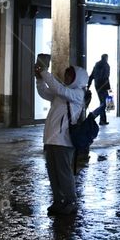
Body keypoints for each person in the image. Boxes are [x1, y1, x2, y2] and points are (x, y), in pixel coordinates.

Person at [35, 62, 88, 216]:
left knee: (64, 172)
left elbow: (57, 88)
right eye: (66, 74)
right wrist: (39, 80)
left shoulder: (77, 93)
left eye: (70, 75)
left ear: (77, 78)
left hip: (64, 140)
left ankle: (70, 201)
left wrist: (44, 72)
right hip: (51, 138)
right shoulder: (63, 93)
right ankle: (58, 200)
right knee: (53, 172)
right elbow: (45, 92)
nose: (66, 77)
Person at [88, 53, 111, 125]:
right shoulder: (106, 65)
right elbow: (106, 77)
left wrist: (88, 85)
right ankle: (97, 116)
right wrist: (109, 88)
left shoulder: (97, 64)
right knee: (104, 103)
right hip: (103, 86)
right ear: (106, 58)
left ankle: (103, 120)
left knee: (103, 102)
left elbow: (92, 75)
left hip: (97, 85)